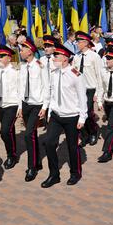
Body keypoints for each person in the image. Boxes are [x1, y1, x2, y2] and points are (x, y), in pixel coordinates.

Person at [41, 43, 87, 188]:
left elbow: (82, 98)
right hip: (56, 115)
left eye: (57, 56)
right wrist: (49, 112)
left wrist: (82, 117)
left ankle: (75, 172)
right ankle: (54, 174)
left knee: (72, 146)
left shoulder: (76, 75)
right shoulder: (54, 73)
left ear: (65, 58)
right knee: (49, 143)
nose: (54, 58)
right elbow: (52, 94)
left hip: (71, 116)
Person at [18, 37, 50, 182]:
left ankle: (32, 167)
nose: (20, 51)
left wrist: (45, 106)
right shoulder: (23, 66)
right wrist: (19, 106)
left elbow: (46, 86)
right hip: (25, 104)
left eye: (23, 49)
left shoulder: (40, 66)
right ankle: (37, 162)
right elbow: (20, 88)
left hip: (37, 104)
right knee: (31, 135)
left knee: (28, 134)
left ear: (30, 51)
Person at [72, 31, 103, 147]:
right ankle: (84, 136)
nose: (77, 44)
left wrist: (98, 93)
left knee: (88, 112)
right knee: (79, 112)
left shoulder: (94, 57)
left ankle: (93, 132)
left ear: (85, 43)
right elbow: (74, 71)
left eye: (79, 42)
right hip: (79, 89)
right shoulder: (76, 56)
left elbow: (99, 76)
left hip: (90, 89)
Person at [0, 44, 20, 170]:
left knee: (4, 131)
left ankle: (11, 156)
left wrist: (20, 107)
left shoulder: (16, 71)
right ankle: (12, 151)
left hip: (12, 104)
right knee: (9, 131)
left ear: (9, 58)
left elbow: (21, 90)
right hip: (1, 105)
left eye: (1, 56)